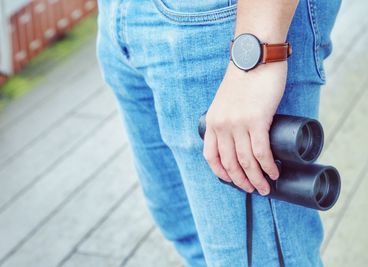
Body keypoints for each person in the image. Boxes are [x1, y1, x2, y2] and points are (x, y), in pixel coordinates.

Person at [96, 0, 341, 266]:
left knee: (252, 258)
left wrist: (257, 53)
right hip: (120, 15)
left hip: (228, 21)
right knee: (184, 228)